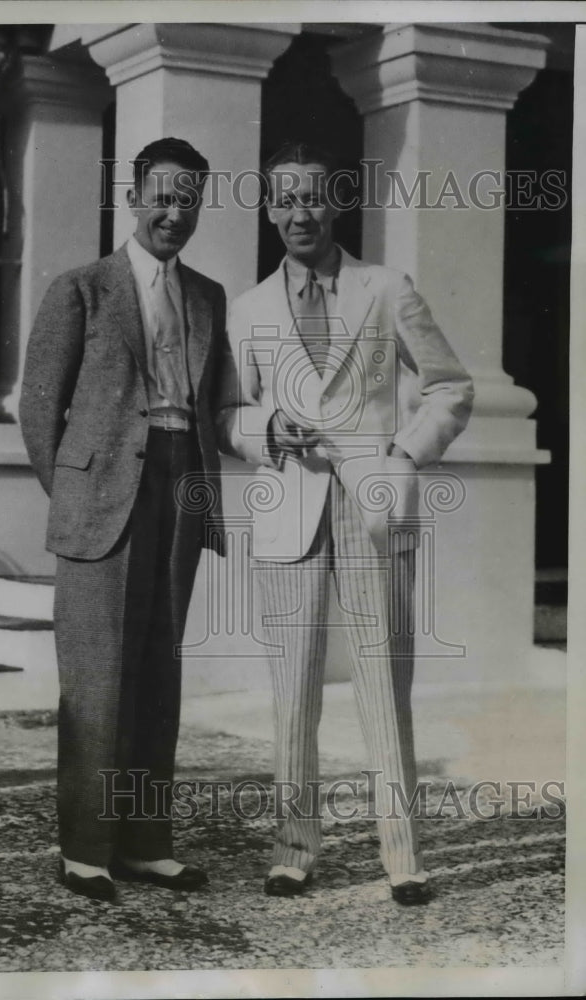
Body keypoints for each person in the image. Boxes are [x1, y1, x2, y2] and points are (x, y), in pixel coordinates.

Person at [217, 140, 474, 903]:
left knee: (383, 685)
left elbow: (451, 388)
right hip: (289, 510)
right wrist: (265, 432)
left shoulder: (385, 287)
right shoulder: (250, 308)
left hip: (376, 506)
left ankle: (403, 858)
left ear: (337, 204)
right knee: (292, 690)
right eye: (285, 200)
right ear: (268, 212)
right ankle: (293, 849)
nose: (300, 213)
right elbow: (228, 411)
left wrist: (403, 453)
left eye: (313, 198)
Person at [20, 137, 234, 903]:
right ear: (134, 196)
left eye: (189, 200)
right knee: (96, 680)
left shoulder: (208, 296)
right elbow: (38, 409)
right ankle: (85, 850)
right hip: (104, 498)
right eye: (161, 196)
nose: (174, 212)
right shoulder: (81, 288)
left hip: (183, 487)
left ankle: (146, 843)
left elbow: (218, 404)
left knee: (157, 671)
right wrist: (78, 494)